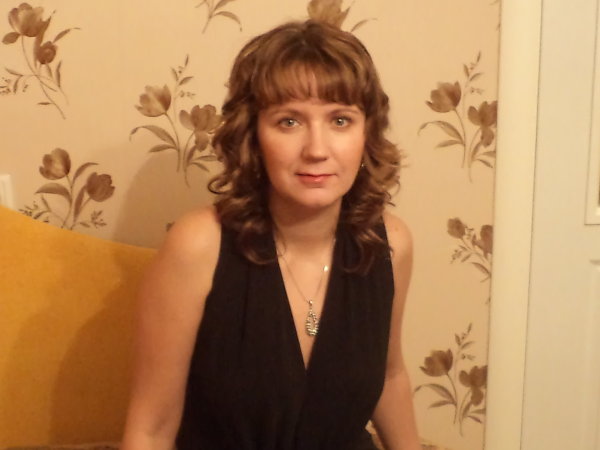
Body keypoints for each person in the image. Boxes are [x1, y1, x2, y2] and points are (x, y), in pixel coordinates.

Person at [121, 19, 420, 450]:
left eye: (340, 120)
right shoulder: (198, 245)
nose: (317, 149)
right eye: (289, 121)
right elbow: (151, 429)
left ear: (367, 133)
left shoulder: (390, 244)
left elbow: (390, 376)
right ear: (253, 135)